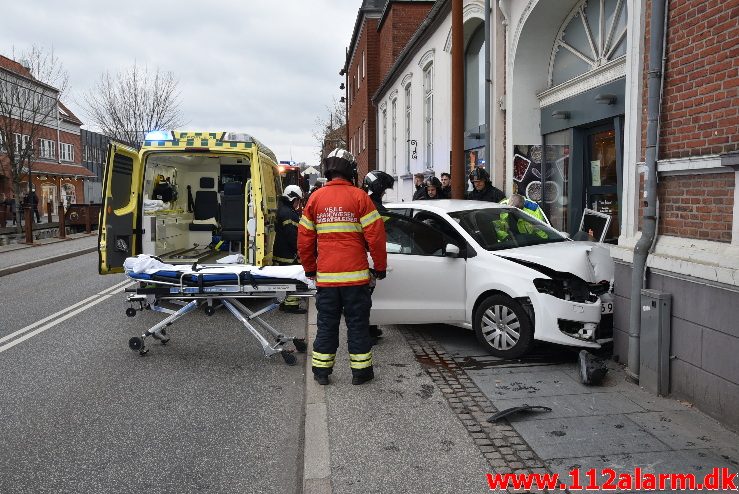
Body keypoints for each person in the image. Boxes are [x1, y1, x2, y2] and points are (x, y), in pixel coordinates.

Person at [298, 148, 387, 386]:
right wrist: (380, 267)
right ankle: (361, 373)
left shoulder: (315, 199)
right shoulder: (360, 197)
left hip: (327, 280)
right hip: (356, 280)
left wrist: (309, 269)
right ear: (349, 170)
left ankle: (321, 372)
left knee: (327, 324)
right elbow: (376, 237)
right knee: (357, 325)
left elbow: (304, 239)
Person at [361, 169, 395, 344]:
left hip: (363, 257)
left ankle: (370, 327)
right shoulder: (375, 209)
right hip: (368, 259)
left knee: (368, 297)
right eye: (383, 190)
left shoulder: (364, 203)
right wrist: (380, 267)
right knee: (365, 299)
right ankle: (365, 332)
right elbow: (384, 235)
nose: (384, 193)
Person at [274, 184, 307, 314]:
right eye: (298, 200)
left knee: (287, 280)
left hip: (283, 252)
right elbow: (292, 236)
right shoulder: (288, 213)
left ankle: (285, 302)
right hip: (288, 255)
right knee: (294, 278)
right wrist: (299, 249)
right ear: (293, 198)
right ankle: (291, 305)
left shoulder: (284, 210)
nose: (298, 203)